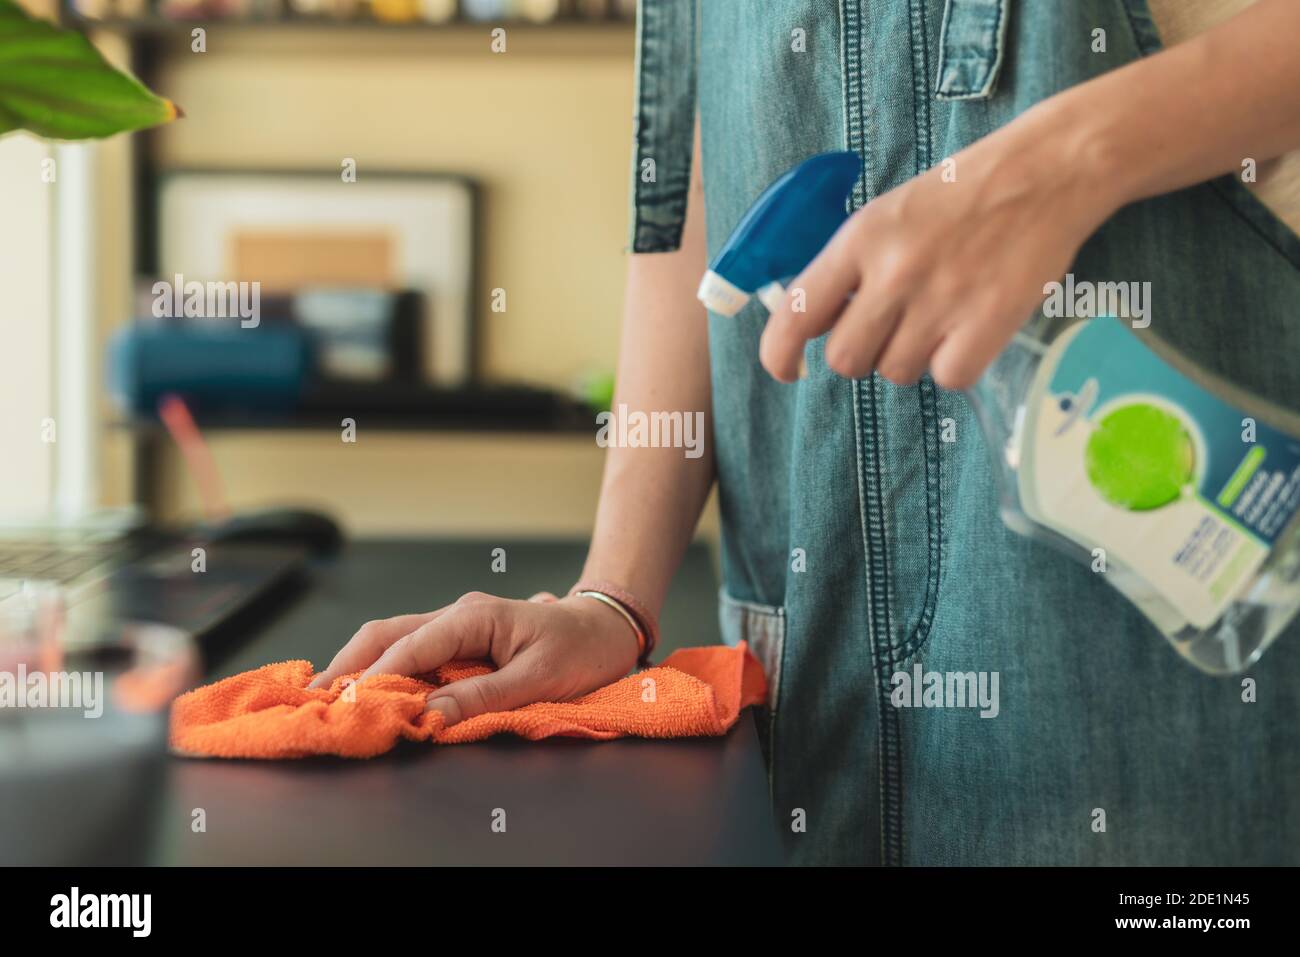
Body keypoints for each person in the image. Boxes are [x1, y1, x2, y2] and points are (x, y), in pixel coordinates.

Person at [312, 0, 1300, 864]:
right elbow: (702, 233)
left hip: (1186, 653)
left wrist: (1056, 162)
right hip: (808, 688)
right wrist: (611, 596)